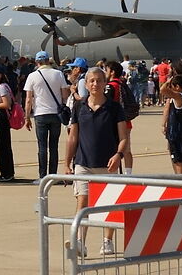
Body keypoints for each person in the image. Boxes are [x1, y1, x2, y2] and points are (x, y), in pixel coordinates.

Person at [70, 67, 124, 175]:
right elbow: (72, 137)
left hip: (108, 166)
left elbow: (124, 138)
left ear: (105, 83)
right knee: (82, 193)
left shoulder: (115, 108)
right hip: (83, 165)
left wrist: (118, 155)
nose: (95, 84)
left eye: (99, 81)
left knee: (108, 193)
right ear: (86, 84)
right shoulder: (79, 106)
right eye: (92, 81)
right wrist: (67, 164)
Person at [23, 52, 68, 181]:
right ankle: (53, 175)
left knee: (42, 146)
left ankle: (43, 177)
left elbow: (28, 99)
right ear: (48, 61)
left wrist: (27, 117)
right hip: (55, 114)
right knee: (54, 146)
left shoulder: (32, 76)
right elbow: (65, 94)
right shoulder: (58, 74)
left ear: (37, 62)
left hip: (40, 114)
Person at [161, 72, 182, 173]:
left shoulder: (179, 96)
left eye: (171, 87)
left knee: (178, 162)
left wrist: (168, 81)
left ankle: (181, 182)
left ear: (177, 87)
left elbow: (162, 90)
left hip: (176, 134)